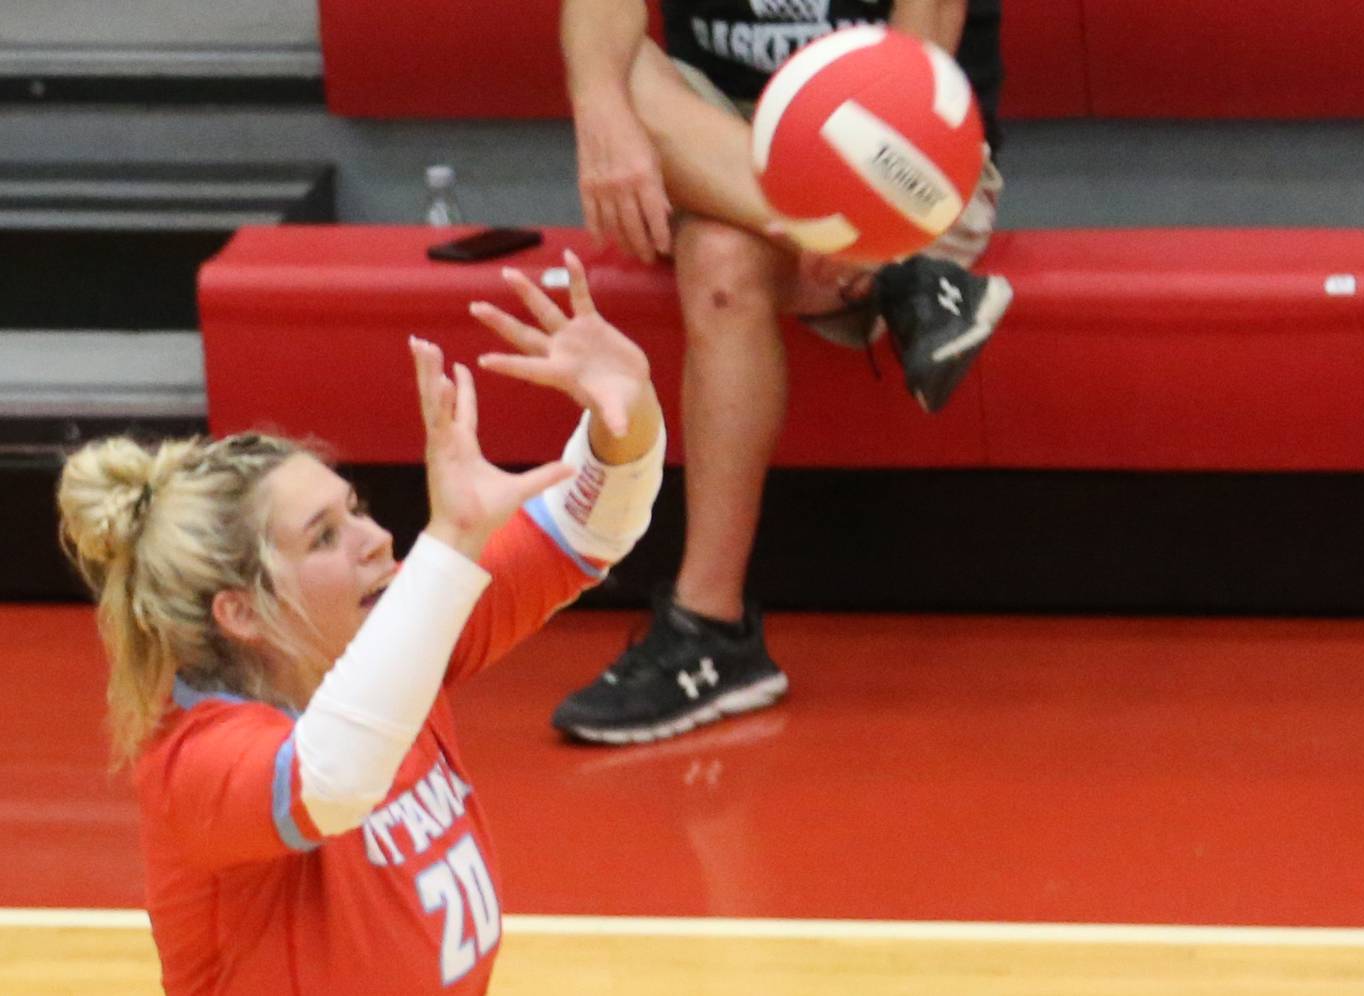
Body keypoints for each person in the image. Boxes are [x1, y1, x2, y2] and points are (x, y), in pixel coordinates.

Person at [55, 252, 665, 995]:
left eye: (356, 510)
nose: (376, 540)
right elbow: (334, 776)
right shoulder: (195, 766)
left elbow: (583, 528)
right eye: (322, 536)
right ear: (241, 611)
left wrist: (625, 415)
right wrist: (454, 543)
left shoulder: (391, 634)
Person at [552, 0, 1010, 744]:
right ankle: (908, 284)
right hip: (719, 136)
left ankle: (707, 627)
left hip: (904, 145)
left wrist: (862, 199)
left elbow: (918, 63)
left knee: (721, 264)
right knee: (613, 63)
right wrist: (600, 111)